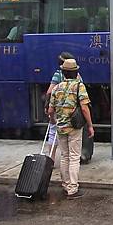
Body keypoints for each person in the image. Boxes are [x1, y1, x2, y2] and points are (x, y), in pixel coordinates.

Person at [48, 58, 94, 199]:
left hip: (61, 127)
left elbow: (50, 110)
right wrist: (90, 125)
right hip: (74, 127)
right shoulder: (79, 86)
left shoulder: (57, 87)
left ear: (63, 72)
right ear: (75, 72)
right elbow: (85, 108)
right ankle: (73, 189)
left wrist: (53, 121)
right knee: (74, 157)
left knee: (65, 157)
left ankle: (65, 184)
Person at [45, 51, 79, 162]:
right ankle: (72, 159)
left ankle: (51, 159)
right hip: (73, 111)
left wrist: (48, 107)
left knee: (53, 132)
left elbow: (49, 92)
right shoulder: (78, 76)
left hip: (58, 110)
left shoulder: (58, 74)